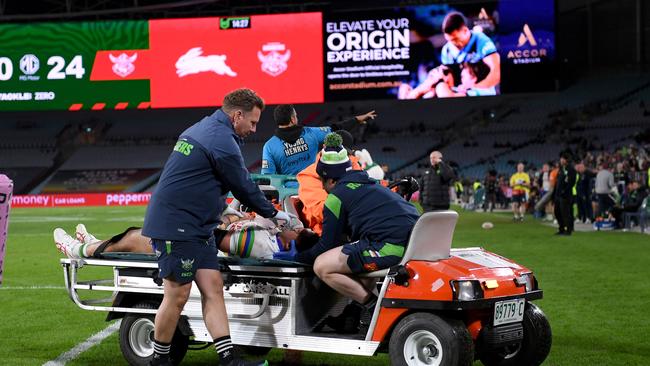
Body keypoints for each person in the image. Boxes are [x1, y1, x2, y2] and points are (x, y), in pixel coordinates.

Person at [140, 88, 291, 366]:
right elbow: (242, 184)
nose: (253, 128)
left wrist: (221, 207)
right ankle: (159, 361)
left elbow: (195, 178)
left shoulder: (205, 128)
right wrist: (273, 214)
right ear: (237, 116)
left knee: (213, 286)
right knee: (177, 294)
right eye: (253, 122)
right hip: (178, 226)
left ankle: (228, 358)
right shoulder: (221, 139)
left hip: (198, 226)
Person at [295, 133, 420, 333]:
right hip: (413, 245)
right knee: (355, 259)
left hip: (391, 248)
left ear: (329, 179)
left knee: (322, 266)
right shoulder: (373, 186)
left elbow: (326, 246)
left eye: (322, 181)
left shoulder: (336, 197)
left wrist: (298, 258)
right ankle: (353, 314)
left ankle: (372, 307)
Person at [54, 214, 318, 261]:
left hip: (194, 248)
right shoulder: (270, 240)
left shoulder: (263, 242)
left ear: (295, 237)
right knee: (134, 234)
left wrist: (232, 219)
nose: (290, 224)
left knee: (133, 237)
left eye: (295, 227)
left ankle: (79, 250)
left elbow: (216, 234)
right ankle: (92, 243)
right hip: (200, 245)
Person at [261, 104, 376, 175]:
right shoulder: (310, 133)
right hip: (313, 190)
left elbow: (268, 177)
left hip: (287, 197)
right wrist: (357, 120)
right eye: (295, 116)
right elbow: (336, 128)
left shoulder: (269, 146)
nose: (297, 118)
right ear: (292, 119)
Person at [296, 130, 362, 236]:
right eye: (333, 152)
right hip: (327, 233)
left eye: (342, 153)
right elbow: (320, 212)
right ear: (324, 148)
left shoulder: (355, 168)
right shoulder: (309, 176)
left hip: (357, 228)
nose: (337, 158)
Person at [554, 152, 577, 236]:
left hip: (566, 195)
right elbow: (558, 183)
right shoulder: (561, 169)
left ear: (566, 160)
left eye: (563, 158)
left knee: (566, 213)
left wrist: (564, 192)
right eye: (561, 158)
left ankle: (568, 230)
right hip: (558, 195)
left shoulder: (571, 170)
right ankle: (561, 228)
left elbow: (571, 183)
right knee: (557, 212)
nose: (561, 160)